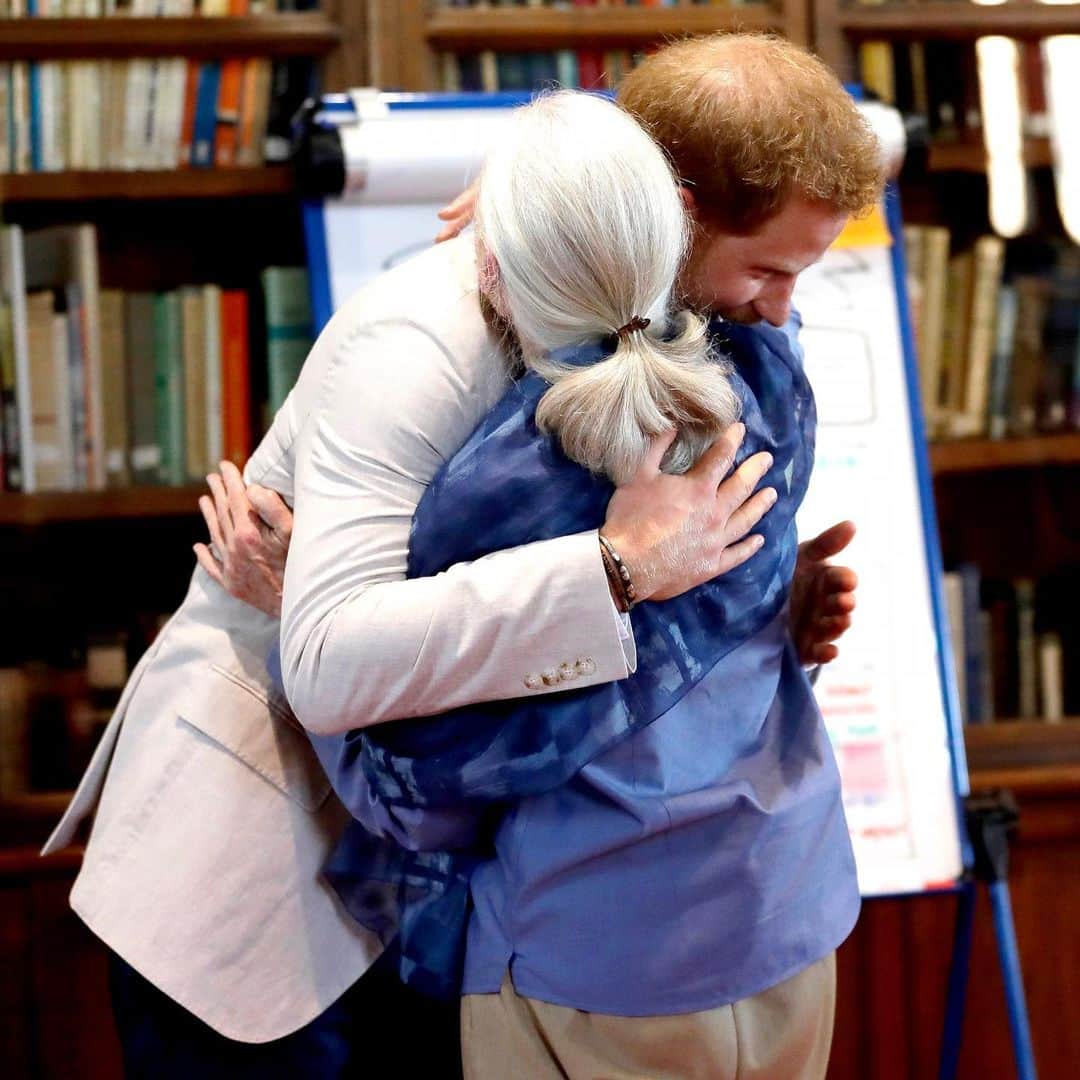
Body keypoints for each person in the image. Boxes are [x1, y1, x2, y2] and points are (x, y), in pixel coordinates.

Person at [39, 39, 841, 1080]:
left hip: (461, 895)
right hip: (270, 885)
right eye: (770, 269)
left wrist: (765, 604)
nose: (782, 307)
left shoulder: (683, 330)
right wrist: (616, 569)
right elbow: (330, 663)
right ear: (677, 208)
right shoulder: (416, 342)